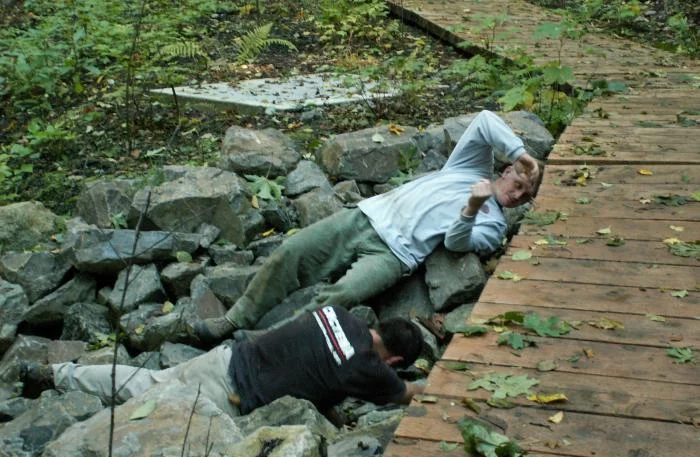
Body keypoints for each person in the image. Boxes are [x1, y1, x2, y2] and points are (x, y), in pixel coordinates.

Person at [194, 110, 540, 342]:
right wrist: (522, 152)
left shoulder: (493, 223)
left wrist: (473, 206)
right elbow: (484, 120)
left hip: (395, 255)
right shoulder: (468, 167)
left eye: (525, 195)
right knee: (290, 252)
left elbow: (455, 242)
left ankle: (263, 342)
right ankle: (236, 319)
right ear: (507, 169)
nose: (517, 194)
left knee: (341, 295)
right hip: (366, 216)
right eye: (518, 181)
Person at [20, 306, 425, 421]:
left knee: (144, 380)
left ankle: (60, 374)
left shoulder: (336, 312)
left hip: (228, 356)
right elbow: (408, 395)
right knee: (143, 402)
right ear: (395, 359)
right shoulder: (369, 368)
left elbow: (311, 364)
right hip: (226, 396)